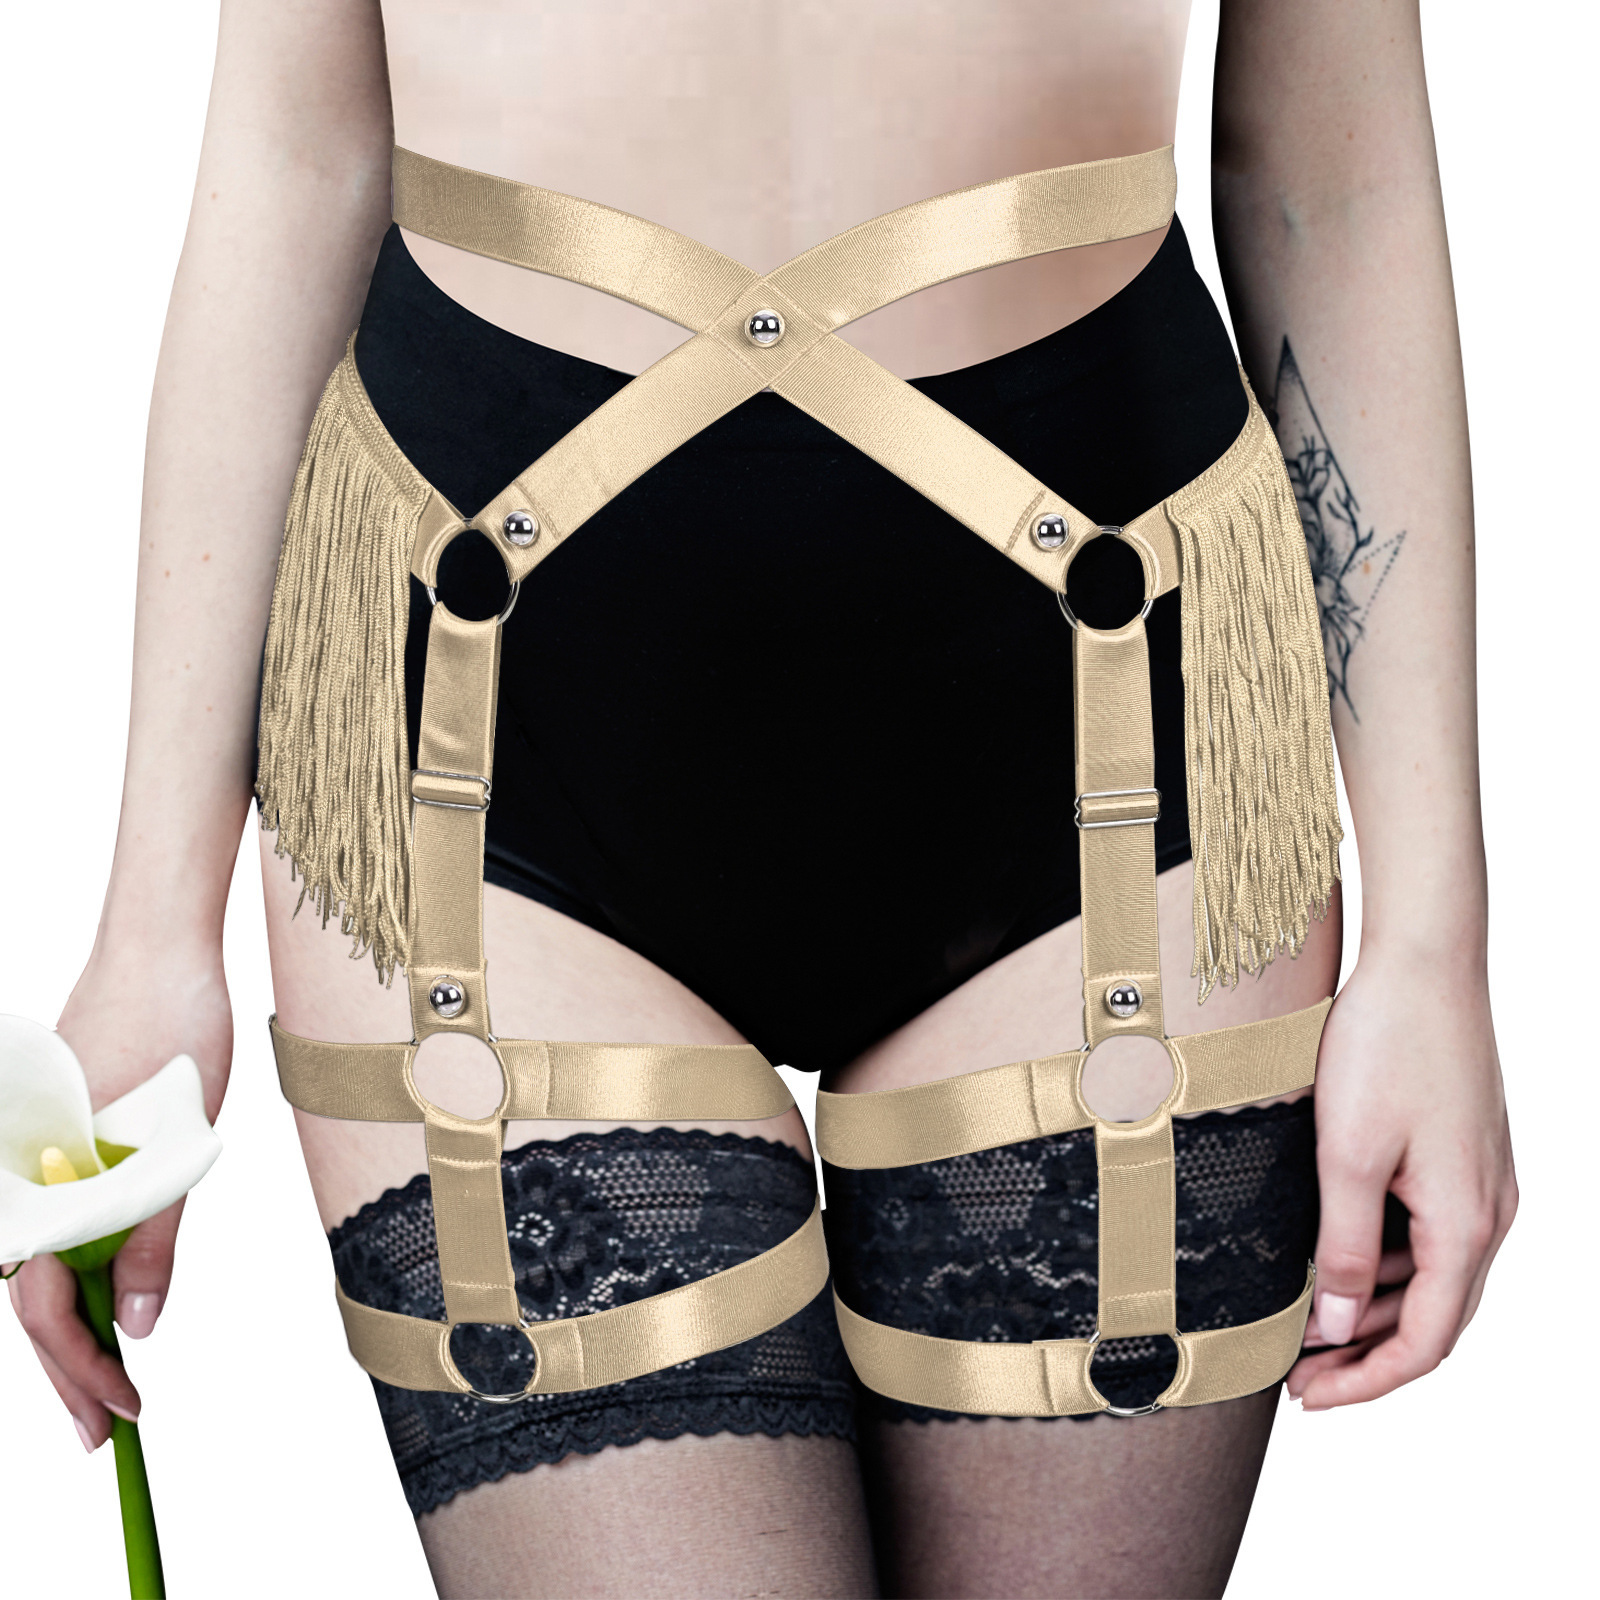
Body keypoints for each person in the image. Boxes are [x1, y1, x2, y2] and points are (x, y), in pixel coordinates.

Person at [6, 3, 1515, 1596]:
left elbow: (1330, 177)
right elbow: (298, 148)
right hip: (477, 761)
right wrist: (151, 923)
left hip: (1120, 739)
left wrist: (1435, 943)